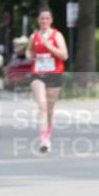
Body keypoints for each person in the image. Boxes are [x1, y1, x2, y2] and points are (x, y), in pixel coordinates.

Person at [25, 8, 69, 153]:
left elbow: (64, 56)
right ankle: (43, 141)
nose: (44, 21)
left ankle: (47, 137)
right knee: (42, 106)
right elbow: (28, 51)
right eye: (42, 18)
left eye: (47, 18)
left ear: (51, 21)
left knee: (49, 109)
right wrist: (29, 56)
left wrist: (49, 46)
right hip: (37, 74)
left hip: (54, 74)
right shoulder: (34, 36)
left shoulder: (57, 35)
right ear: (38, 20)